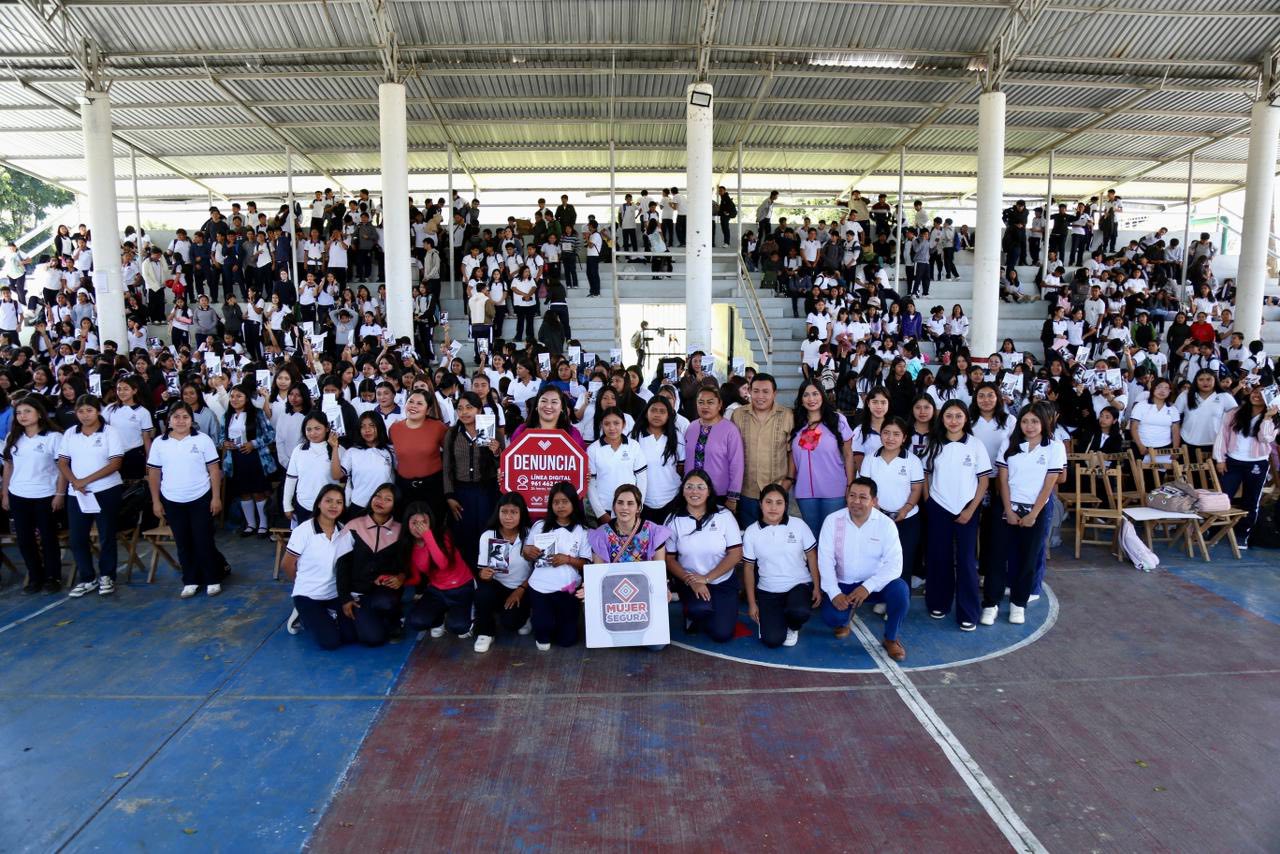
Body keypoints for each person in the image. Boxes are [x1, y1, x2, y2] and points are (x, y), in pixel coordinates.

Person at [982, 405, 1064, 626]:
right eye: (1025, 421)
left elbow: (1050, 482)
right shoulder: (1010, 443)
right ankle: (991, 604)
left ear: (1044, 423)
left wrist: (1034, 513)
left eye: (1035, 421)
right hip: (1007, 507)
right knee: (997, 557)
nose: (1030, 426)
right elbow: (1003, 480)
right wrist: (1008, 510)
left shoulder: (1054, 447)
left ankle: (1019, 604)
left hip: (1036, 510)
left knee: (1028, 558)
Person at [816, 477, 909, 661]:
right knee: (832, 618)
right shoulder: (832, 521)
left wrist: (868, 586)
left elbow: (895, 564)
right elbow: (825, 560)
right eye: (852, 495)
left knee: (900, 590)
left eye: (863, 497)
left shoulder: (886, 525)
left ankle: (891, 638)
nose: (856, 501)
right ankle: (844, 618)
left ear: (874, 501)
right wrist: (834, 593)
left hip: (874, 586)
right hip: (843, 585)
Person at [923, 400, 991, 631]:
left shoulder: (975, 445)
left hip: (967, 509)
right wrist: (928, 501)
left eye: (958, 416)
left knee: (966, 562)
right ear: (942, 419)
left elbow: (984, 480)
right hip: (939, 507)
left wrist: (971, 509)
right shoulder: (934, 443)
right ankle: (939, 602)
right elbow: (925, 474)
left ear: (965, 419)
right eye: (949, 416)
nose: (953, 420)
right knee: (938, 558)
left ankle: (968, 612)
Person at [146, 402, 224, 598]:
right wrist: (156, 501)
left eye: (185, 417)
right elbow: (154, 473)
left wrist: (215, 497)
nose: (181, 421)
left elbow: (214, 470)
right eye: (176, 417)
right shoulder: (159, 443)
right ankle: (190, 580)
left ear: (192, 420)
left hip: (200, 497)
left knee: (203, 539)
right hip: (172, 499)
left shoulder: (203, 440)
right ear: (169, 420)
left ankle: (212, 578)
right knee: (183, 541)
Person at [56, 394, 125, 598]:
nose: (85, 415)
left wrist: (85, 480)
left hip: (106, 490)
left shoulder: (109, 432)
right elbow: (62, 461)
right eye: (80, 411)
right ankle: (87, 578)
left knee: (106, 536)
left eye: (89, 410)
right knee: (77, 538)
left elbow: (115, 463)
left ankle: (107, 576)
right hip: (77, 494)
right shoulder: (70, 433)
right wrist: (75, 482)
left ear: (98, 411)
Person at [665, 469, 742, 643]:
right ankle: (692, 614)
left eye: (700, 487)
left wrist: (706, 579)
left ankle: (716, 611)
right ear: (682, 490)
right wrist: (693, 581)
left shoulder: (724, 515)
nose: (695, 492)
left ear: (709, 491)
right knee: (699, 610)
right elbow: (669, 559)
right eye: (689, 487)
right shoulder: (674, 519)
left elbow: (736, 554)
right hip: (690, 581)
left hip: (721, 581)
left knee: (722, 634)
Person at [742, 483, 820, 649]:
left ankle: (793, 625)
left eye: (779, 503)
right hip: (768, 589)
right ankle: (773, 620)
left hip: (798, 585)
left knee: (799, 612)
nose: (773, 508)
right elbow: (748, 568)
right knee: (772, 640)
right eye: (768, 502)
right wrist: (752, 603)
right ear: (760, 504)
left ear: (786, 505)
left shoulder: (798, 525)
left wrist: (817, 588)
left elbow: (812, 556)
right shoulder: (751, 531)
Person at [0, 396, 65, 593]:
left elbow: (62, 468)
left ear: (39, 412)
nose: (22, 416)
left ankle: (53, 577)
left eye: (27, 411)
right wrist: (5, 493)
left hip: (45, 494)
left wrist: (60, 493)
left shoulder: (53, 437)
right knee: (25, 539)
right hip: (19, 494)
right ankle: (35, 577)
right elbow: (8, 467)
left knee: (48, 537)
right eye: (19, 413)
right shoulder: (13, 437)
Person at [282, 484, 356, 650]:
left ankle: (325, 616)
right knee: (331, 642)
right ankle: (301, 614)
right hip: (307, 595)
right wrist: (302, 583)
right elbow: (287, 564)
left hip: (333, 594)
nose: (333, 506)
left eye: (339, 502)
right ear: (318, 504)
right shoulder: (303, 531)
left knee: (351, 636)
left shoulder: (344, 532)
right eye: (328, 501)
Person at [523, 481, 592, 650]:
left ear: (573, 503)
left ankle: (553, 621)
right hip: (540, 587)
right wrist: (528, 551)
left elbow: (586, 563)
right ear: (550, 504)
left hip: (567, 589)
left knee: (567, 640)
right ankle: (539, 621)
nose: (560, 506)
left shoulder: (583, 531)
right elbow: (526, 551)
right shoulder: (540, 526)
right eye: (556, 502)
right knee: (543, 641)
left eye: (565, 501)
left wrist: (567, 559)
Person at [335, 483, 404, 647]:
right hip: (357, 593)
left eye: (388, 499)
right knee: (372, 638)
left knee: (384, 604)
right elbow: (342, 565)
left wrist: (401, 576)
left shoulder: (400, 531)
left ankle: (394, 619)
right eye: (378, 495)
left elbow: (404, 563)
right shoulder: (353, 526)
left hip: (382, 592)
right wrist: (345, 598)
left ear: (395, 505)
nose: (380, 501)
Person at [858, 417, 924, 585]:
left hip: (907, 518)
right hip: (877, 518)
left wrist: (906, 509)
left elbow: (917, 489)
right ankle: (883, 597)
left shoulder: (912, 461)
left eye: (896, 434)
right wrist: (876, 509)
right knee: (880, 561)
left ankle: (900, 602)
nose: (890, 438)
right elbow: (865, 489)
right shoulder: (871, 459)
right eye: (886, 433)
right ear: (881, 435)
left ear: (904, 437)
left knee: (904, 560)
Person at [1213, 386, 1279, 549]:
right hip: (1233, 461)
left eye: (1262, 393)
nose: (1257, 395)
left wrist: (1268, 418)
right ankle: (1213, 530)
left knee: (1251, 500)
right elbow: (1222, 436)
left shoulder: (1275, 419)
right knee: (1222, 497)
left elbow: (1265, 438)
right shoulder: (1234, 413)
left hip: (1257, 463)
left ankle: (1243, 534)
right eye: (1255, 391)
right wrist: (1220, 459)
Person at [443, 391, 503, 568]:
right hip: (461, 493)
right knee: (464, 535)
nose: (464, 412)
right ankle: (467, 574)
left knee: (487, 532)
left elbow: (504, 465)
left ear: (479, 409)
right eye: (460, 408)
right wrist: (449, 495)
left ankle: (490, 574)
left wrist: (497, 452)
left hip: (487, 491)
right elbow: (446, 466)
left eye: (469, 407)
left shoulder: (493, 432)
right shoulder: (452, 434)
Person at [788, 380, 855, 539]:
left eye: (815, 394)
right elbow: (791, 454)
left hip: (834, 490)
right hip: (805, 491)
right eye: (806, 395)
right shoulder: (795, 422)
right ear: (801, 399)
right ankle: (814, 565)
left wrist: (850, 485)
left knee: (832, 537)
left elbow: (848, 455)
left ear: (823, 396)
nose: (811, 399)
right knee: (811, 536)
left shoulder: (837, 420)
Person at [403, 500, 476, 639]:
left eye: (423, 522)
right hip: (437, 589)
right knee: (417, 621)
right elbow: (416, 578)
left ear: (430, 522)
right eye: (414, 523)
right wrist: (397, 580)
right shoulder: (409, 544)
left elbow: (442, 564)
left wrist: (427, 535)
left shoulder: (443, 535)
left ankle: (471, 609)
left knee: (459, 627)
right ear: (407, 524)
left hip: (461, 586)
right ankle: (439, 619)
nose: (419, 526)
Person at [473, 492, 535, 653]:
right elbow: (481, 569)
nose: (508, 517)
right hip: (497, 584)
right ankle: (485, 632)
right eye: (504, 512)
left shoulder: (530, 535)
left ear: (521, 514)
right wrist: (483, 574)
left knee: (511, 624)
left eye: (513, 512)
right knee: (482, 592)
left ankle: (525, 615)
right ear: (498, 512)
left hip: (523, 588)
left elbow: (539, 569)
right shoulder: (488, 535)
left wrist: (521, 590)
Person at [730, 372, 794, 528]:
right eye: (756, 391)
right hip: (746, 490)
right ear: (750, 391)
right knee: (748, 536)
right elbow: (731, 452)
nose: (760, 396)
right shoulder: (738, 414)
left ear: (774, 393)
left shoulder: (787, 415)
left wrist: (788, 481)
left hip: (777, 489)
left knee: (776, 537)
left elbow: (791, 452)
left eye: (766, 391)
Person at [684, 387, 743, 512]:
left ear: (720, 404)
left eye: (710, 402)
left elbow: (737, 464)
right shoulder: (691, 427)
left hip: (719, 494)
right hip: (692, 493)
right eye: (701, 402)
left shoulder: (730, 430)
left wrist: (732, 497)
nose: (705, 406)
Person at [389, 389, 447, 516]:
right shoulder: (394, 429)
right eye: (411, 401)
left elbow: (450, 455)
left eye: (420, 403)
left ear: (428, 409)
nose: (414, 406)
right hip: (404, 487)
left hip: (432, 486)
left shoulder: (438, 427)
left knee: (432, 525)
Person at [587, 408, 647, 524]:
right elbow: (591, 483)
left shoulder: (634, 446)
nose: (612, 428)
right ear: (601, 425)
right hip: (605, 508)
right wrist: (601, 513)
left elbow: (642, 479)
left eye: (616, 423)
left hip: (629, 507)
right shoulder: (593, 450)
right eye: (607, 424)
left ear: (624, 424)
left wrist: (638, 506)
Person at [333, 412, 394, 517]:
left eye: (371, 425)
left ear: (379, 427)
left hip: (384, 507)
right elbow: (336, 475)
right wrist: (334, 447)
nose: (367, 430)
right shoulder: (352, 452)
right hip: (359, 506)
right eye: (363, 426)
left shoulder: (390, 450)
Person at [283, 414, 340, 526]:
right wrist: (287, 505)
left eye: (317, 428)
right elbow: (291, 479)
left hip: (330, 507)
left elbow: (340, 478)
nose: (313, 433)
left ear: (327, 428)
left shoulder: (338, 449)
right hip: (304, 505)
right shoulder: (298, 450)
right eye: (308, 429)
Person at [1176, 369, 1237, 460]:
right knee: (1186, 473)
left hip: (1214, 444)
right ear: (1196, 381)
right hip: (1187, 442)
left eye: (1209, 379)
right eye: (1201, 379)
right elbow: (1175, 420)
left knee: (1211, 474)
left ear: (1215, 380)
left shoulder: (1225, 396)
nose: (1205, 382)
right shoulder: (1185, 395)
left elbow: (1235, 420)